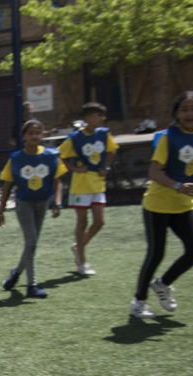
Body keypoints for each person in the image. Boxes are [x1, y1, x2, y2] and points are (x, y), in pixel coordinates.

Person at [130, 92, 193, 319]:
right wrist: (179, 186)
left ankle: (163, 283)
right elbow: (154, 171)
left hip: (184, 204)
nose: (190, 113)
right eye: (185, 109)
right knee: (156, 253)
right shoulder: (167, 138)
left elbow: (191, 164)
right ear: (176, 113)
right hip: (157, 204)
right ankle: (138, 302)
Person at [0, 119, 66, 298]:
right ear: (24, 137)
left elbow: (58, 181)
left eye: (38, 132)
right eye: (30, 133)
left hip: (42, 202)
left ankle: (16, 273)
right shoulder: (16, 159)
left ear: (42, 135)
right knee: (32, 242)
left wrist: (56, 203)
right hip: (24, 203)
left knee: (31, 245)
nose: (34, 136)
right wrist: (1, 210)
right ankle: (32, 286)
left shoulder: (51, 156)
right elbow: (7, 186)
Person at [58, 101, 117, 277]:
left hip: (98, 184)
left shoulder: (104, 135)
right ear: (87, 118)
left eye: (102, 115)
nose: (101, 118)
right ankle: (82, 262)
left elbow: (112, 151)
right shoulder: (75, 138)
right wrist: (75, 169)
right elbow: (60, 155)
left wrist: (106, 166)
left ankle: (78, 247)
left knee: (99, 222)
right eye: (97, 115)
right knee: (82, 221)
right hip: (80, 185)